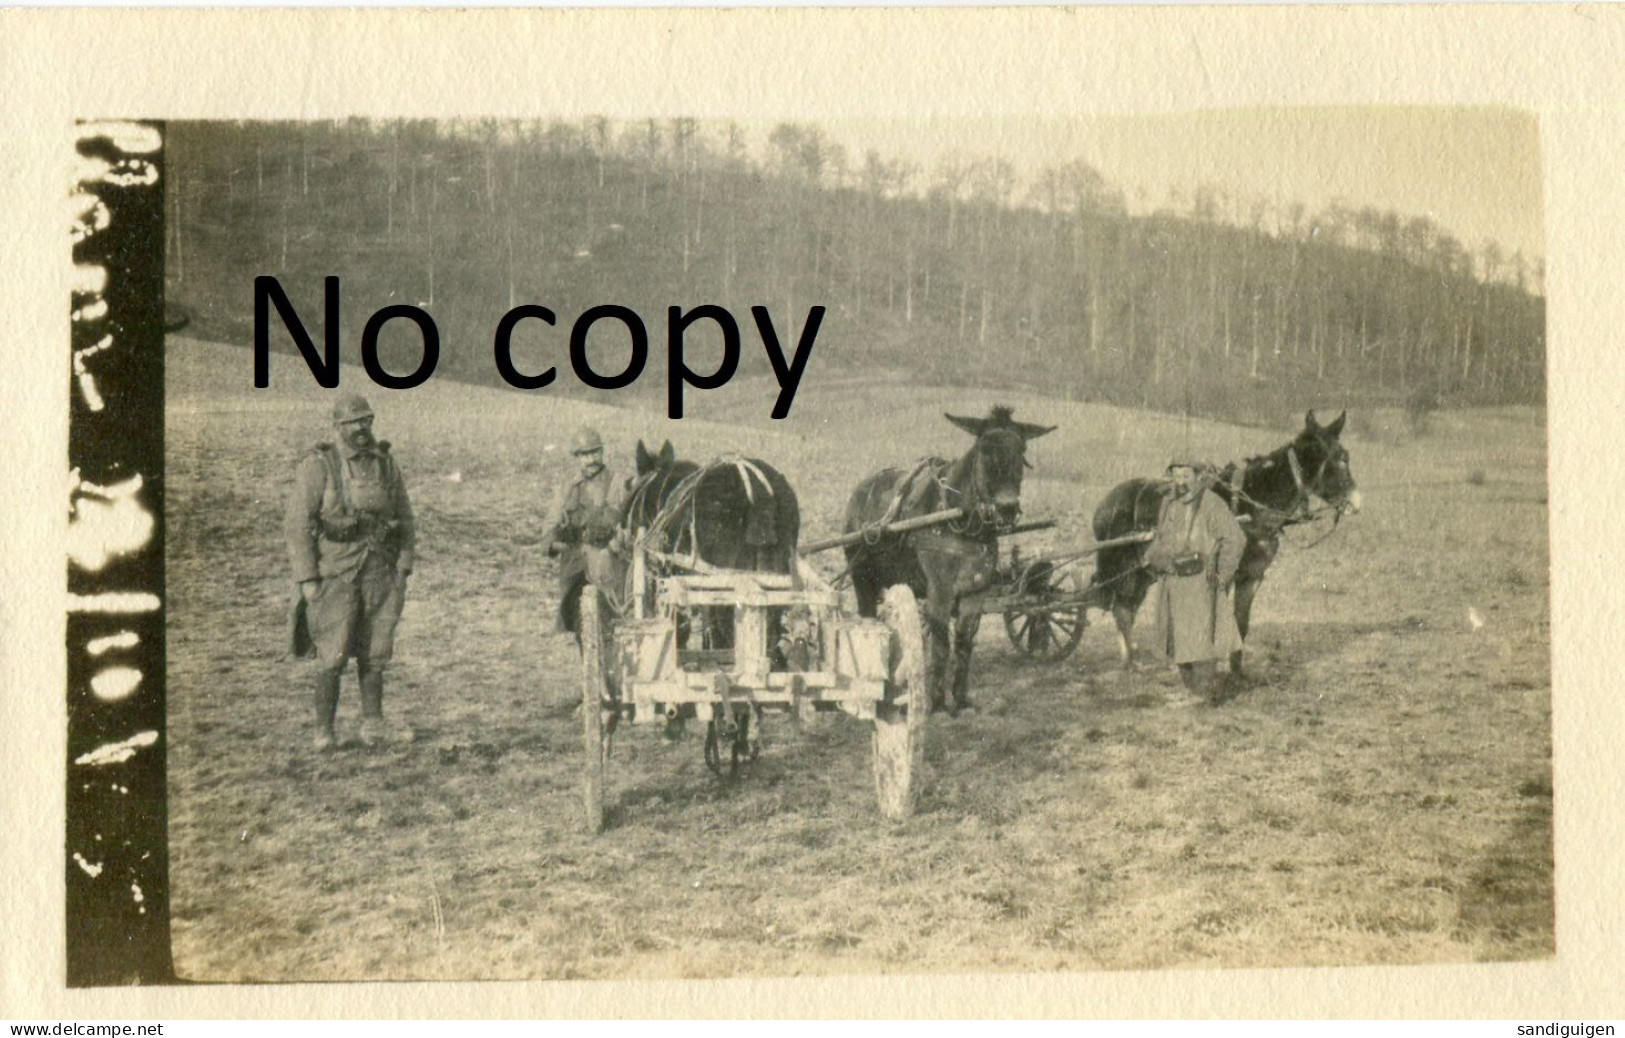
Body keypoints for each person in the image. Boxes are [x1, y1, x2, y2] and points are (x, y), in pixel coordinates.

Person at [284, 394, 416, 749]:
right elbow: (297, 524)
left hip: (380, 573)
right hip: (336, 574)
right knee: (332, 654)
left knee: (376, 653)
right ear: (338, 426)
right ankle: (324, 732)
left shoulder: (386, 464)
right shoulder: (320, 465)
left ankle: (373, 726)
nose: (361, 429)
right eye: (352, 423)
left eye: (366, 420)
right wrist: (308, 578)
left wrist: (402, 570)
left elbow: (405, 519)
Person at [1144, 456, 1245, 702]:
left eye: (1186, 476)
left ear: (1198, 477)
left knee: (1202, 644)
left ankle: (1208, 695)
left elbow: (1235, 539)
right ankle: (1192, 691)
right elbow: (1162, 537)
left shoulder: (1211, 504)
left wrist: (1222, 575)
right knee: (1178, 643)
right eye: (1176, 476)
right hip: (1174, 582)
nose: (1181, 482)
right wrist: (1154, 559)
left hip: (1201, 584)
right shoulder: (1168, 502)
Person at [545, 426, 627, 639]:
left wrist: (613, 542)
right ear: (577, 458)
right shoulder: (568, 487)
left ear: (602, 453)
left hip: (606, 563)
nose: (591, 459)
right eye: (585, 455)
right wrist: (555, 542)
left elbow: (627, 525)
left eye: (595, 453)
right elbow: (551, 524)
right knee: (578, 623)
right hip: (574, 565)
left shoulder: (617, 482)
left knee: (614, 619)